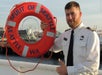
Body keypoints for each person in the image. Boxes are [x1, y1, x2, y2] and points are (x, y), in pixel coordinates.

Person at [41, 1, 100, 75]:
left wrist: (68, 70)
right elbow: (52, 47)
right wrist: (45, 31)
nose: (70, 17)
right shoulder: (65, 35)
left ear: (80, 14)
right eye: (67, 14)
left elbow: (93, 66)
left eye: (72, 14)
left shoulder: (91, 35)